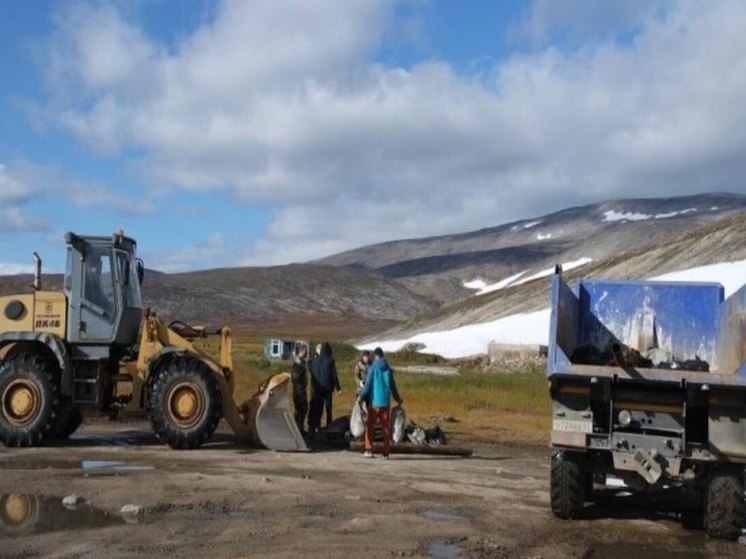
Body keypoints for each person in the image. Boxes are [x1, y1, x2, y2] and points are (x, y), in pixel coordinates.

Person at [357, 347, 402, 459]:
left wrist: (361, 396)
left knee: (370, 425)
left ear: (376, 356)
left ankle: (368, 450)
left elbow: (367, 385)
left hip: (375, 402)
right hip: (385, 402)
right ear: (383, 355)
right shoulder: (388, 369)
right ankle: (386, 452)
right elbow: (393, 387)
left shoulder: (372, 368)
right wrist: (398, 399)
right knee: (386, 427)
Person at [309, 342, 341, 432]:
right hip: (328, 389)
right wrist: (338, 388)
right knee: (328, 409)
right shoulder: (330, 360)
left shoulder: (315, 360)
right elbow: (334, 376)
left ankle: (316, 426)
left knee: (318, 408)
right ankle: (329, 426)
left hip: (317, 389)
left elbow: (313, 374)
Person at [290, 345, 309, 434]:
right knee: (301, 409)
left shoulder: (302, 363)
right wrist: (301, 385)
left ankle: (299, 427)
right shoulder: (297, 364)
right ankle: (297, 427)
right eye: (305, 352)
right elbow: (295, 377)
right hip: (298, 390)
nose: (307, 353)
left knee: (303, 409)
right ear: (302, 352)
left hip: (302, 389)